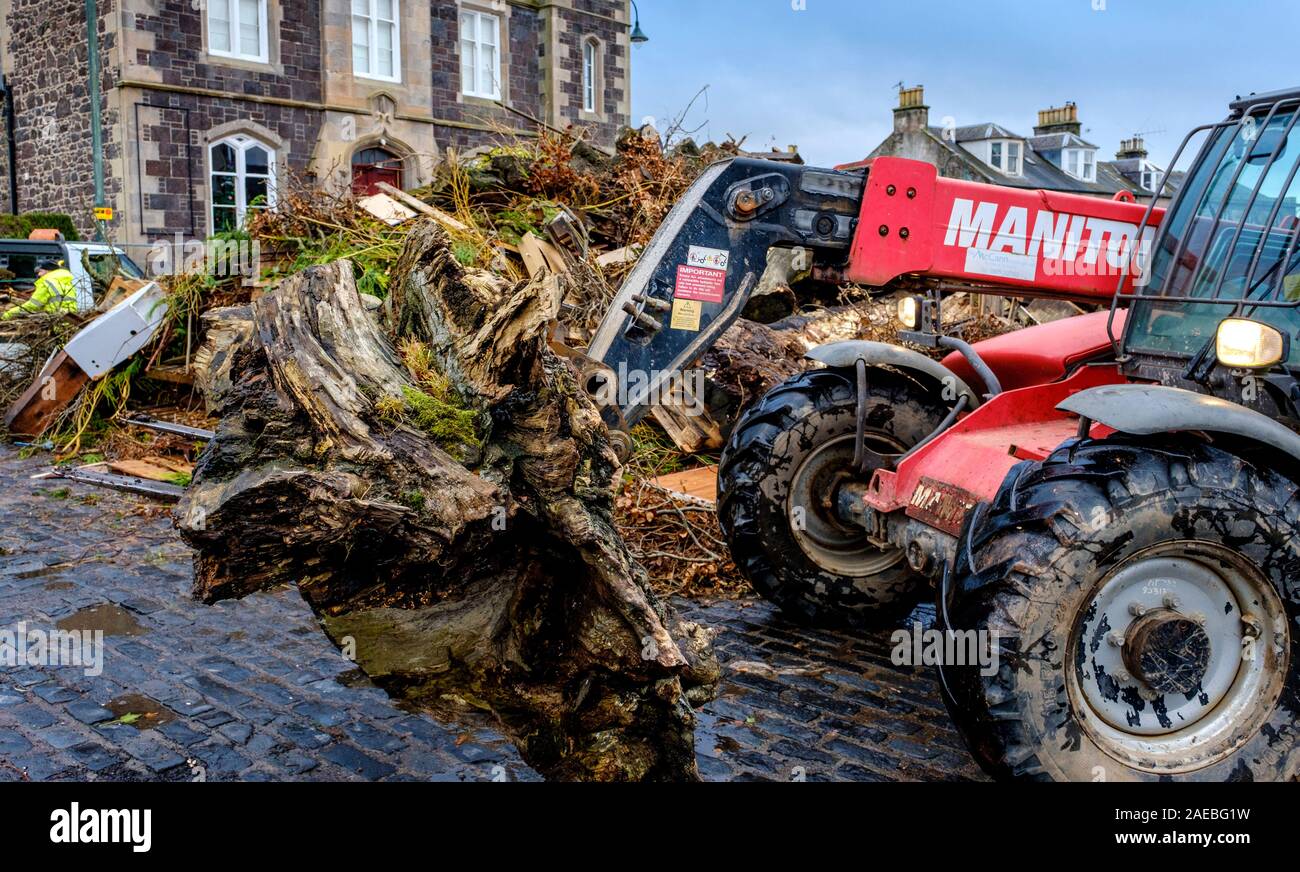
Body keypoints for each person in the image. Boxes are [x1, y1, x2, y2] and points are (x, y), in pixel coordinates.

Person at [1, 257, 78, 320]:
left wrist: (8, 314)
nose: (39, 274)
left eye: (40, 271)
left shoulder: (47, 283)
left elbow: (33, 306)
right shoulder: (65, 282)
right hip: (70, 322)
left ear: (48, 271)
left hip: (56, 321)